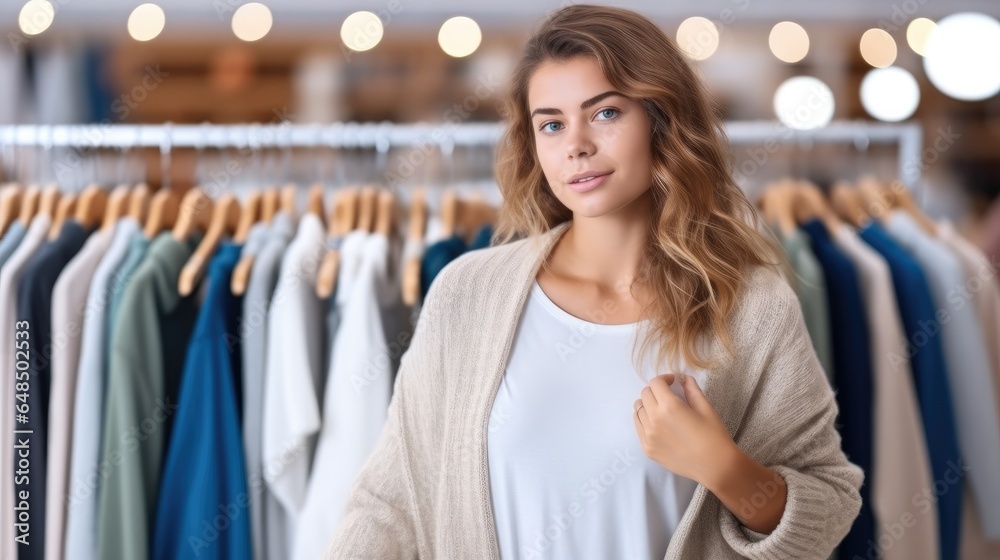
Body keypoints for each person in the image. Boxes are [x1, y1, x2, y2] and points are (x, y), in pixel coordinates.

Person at [326, 5, 863, 560]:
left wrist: (724, 469)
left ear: (662, 120)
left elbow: (828, 507)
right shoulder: (467, 294)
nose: (575, 145)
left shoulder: (749, 306)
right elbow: (389, 503)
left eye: (605, 114)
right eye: (552, 124)